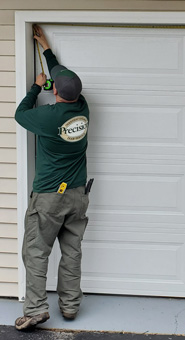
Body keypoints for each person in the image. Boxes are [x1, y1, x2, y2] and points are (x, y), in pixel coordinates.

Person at [14, 25, 91, 331]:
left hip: (48, 197)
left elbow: (20, 114)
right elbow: (62, 72)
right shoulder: (83, 109)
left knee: (35, 251)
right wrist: (45, 48)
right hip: (77, 195)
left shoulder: (46, 118)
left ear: (54, 91)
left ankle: (35, 309)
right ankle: (70, 307)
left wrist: (35, 87)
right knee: (71, 251)